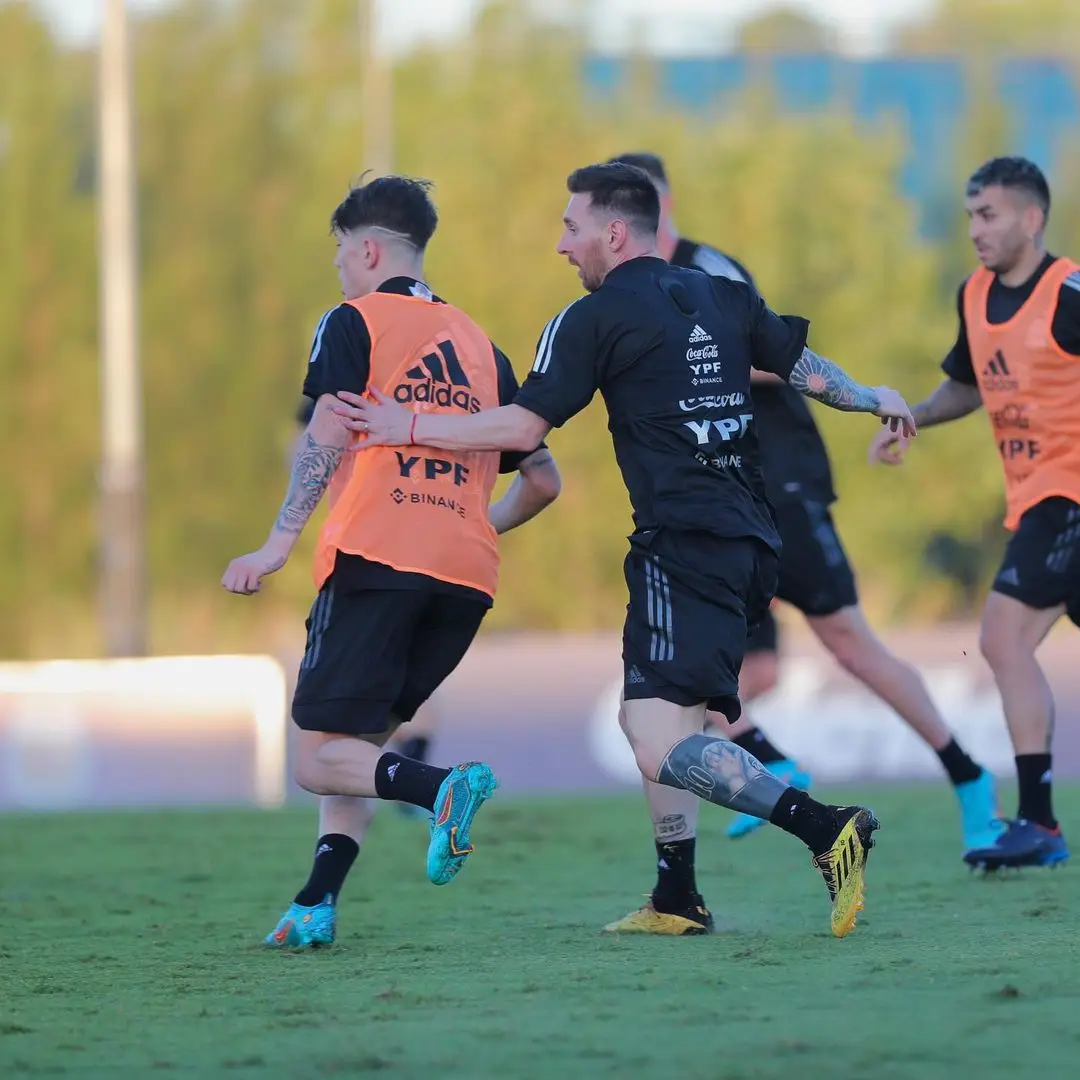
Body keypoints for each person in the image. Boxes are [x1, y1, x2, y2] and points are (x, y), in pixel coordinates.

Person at [335, 162, 919, 939]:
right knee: (651, 717)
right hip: (749, 539)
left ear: (614, 232)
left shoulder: (591, 318)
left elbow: (519, 429)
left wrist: (401, 425)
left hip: (683, 544)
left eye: (570, 228)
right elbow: (809, 373)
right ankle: (677, 896)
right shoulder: (724, 294)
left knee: (657, 734)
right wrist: (878, 397)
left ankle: (823, 827)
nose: (560, 246)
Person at [607, 151, 1000, 863]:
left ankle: (968, 778)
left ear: (655, 212)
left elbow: (766, 353)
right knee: (733, 676)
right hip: (715, 505)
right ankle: (763, 777)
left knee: (849, 644)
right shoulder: (621, 294)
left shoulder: (709, 272)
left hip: (778, 480)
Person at [223, 175, 561, 947]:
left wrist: (278, 542)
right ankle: (315, 905)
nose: (340, 269)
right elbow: (545, 479)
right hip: (466, 576)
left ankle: (441, 787)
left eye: (342, 254)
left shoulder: (353, 320)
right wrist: (477, 521)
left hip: (377, 556)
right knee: (356, 748)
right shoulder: (484, 348)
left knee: (315, 759)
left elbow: (328, 434)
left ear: (368, 248)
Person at [870, 155, 1080, 871]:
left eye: (987, 216)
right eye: (969, 217)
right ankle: (1042, 824)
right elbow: (967, 386)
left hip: (1069, 496)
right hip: (1039, 501)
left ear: (1031, 217)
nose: (975, 230)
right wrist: (915, 419)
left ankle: (1042, 825)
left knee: (1001, 636)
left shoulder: (1070, 292)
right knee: (1005, 643)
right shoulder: (975, 295)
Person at [295, 394, 441, 820]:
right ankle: (418, 777)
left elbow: (307, 454)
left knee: (326, 753)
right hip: (432, 563)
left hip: (368, 566)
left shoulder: (343, 385)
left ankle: (433, 786)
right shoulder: (424, 396)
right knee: (406, 685)